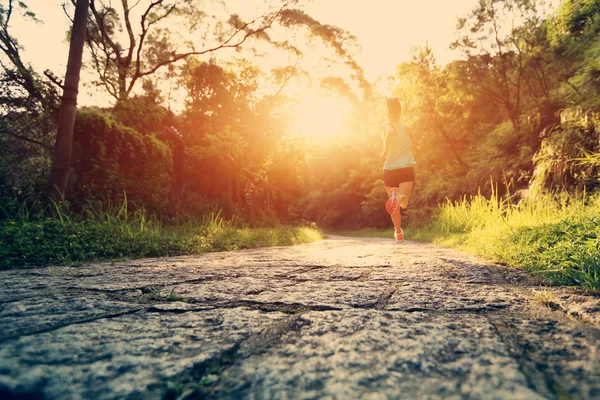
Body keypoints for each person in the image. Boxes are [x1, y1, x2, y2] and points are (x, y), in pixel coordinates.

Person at [380, 97, 416, 243]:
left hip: (389, 170)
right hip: (406, 169)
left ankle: (398, 232)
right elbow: (413, 147)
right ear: (400, 112)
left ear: (387, 112)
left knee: (394, 207)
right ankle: (399, 198)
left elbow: (390, 131)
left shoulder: (387, 125)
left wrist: (385, 150)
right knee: (404, 203)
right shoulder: (408, 128)